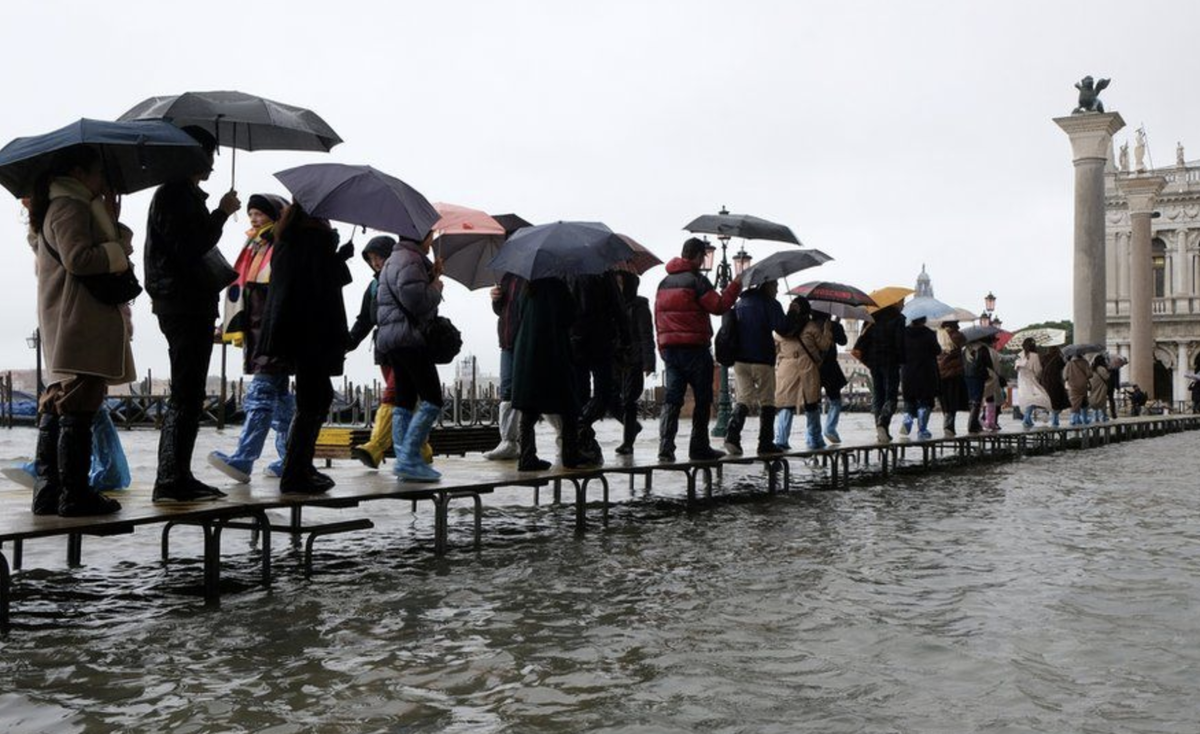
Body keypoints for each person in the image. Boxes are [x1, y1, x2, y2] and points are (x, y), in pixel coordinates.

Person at [28, 145, 135, 516]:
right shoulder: (70, 207)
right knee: (81, 398)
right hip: (80, 317)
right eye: (98, 174)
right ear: (78, 173)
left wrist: (109, 220)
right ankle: (74, 493)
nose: (102, 182)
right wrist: (118, 244)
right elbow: (80, 259)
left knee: (61, 397)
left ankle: (48, 491)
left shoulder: (57, 207)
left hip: (66, 315)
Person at [144, 126, 240, 502]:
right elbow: (191, 245)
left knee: (189, 389)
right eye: (209, 156)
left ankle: (176, 474)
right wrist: (220, 213)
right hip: (183, 301)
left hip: (182, 300)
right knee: (187, 391)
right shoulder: (175, 195)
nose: (213, 166)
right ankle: (171, 478)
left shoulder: (179, 195)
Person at [259, 203, 352, 493]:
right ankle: (295, 472)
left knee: (315, 397)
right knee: (315, 398)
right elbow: (323, 282)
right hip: (312, 330)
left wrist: (335, 254)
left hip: (295, 330)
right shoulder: (313, 238)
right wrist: (339, 256)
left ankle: (299, 466)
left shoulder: (288, 237)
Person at [207, 194, 294, 482]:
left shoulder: (278, 246)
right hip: (260, 335)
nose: (254, 219)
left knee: (260, 396)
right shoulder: (256, 246)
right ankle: (291, 458)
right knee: (281, 401)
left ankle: (243, 460)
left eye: (259, 214)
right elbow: (244, 292)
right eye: (251, 215)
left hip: (272, 334)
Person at [654, 238, 742, 462]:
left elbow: (658, 318)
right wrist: (736, 285)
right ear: (698, 255)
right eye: (703, 256)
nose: (704, 260)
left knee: (672, 399)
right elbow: (719, 306)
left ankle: (665, 449)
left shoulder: (663, 283)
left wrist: (662, 347)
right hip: (694, 349)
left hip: (671, 350)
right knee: (703, 399)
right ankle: (699, 447)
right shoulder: (697, 281)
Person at [375, 233, 445, 482]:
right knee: (432, 398)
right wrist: (436, 285)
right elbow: (417, 301)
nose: (432, 240)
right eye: (430, 236)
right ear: (420, 236)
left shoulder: (395, 258)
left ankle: (405, 457)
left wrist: (432, 274)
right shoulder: (410, 259)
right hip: (409, 338)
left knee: (404, 400)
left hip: (392, 338)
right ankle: (409, 459)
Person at [511, 278, 585, 470]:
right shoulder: (558, 286)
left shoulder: (525, 288)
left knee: (529, 410)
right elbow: (570, 316)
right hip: (553, 351)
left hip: (527, 352)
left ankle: (526, 457)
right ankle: (570, 455)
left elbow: (518, 315)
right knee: (568, 406)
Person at [346, 235, 400, 468]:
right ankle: (420, 450)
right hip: (383, 348)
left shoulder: (401, 277)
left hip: (404, 345)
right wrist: (346, 344)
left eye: (379, 257)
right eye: (372, 259)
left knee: (392, 394)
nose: (376, 262)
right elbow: (364, 320)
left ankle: (375, 446)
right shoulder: (373, 286)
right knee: (404, 400)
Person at [570, 272, 629, 464]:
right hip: (600, 341)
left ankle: (580, 437)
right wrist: (625, 340)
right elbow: (619, 307)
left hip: (575, 343)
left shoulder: (564, 273)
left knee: (581, 395)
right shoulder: (604, 273)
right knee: (603, 394)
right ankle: (582, 429)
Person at [724, 279, 787, 456]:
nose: (777, 289)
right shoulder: (770, 303)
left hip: (740, 360)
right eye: (775, 286)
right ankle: (765, 443)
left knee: (743, 399)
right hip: (762, 359)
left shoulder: (739, 303)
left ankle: (732, 437)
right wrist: (793, 314)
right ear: (766, 286)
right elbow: (783, 328)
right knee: (767, 401)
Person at [775, 295, 833, 450]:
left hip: (786, 368)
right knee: (811, 404)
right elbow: (824, 346)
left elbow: (775, 348)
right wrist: (827, 329)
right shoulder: (811, 326)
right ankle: (814, 439)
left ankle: (781, 439)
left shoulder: (781, 327)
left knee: (786, 405)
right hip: (807, 367)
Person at [483, 271, 526, 461]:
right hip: (507, 340)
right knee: (507, 390)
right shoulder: (506, 277)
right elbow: (502, 310)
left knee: (527, 392)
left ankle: (563, 438)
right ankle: (508, 442)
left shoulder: (532, 276)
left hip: (525, 340)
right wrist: (496, 299)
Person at [613, 270, 656, 455]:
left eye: (621, 284)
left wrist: (648, 363)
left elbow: (646, 336)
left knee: (629, 401)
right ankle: (633, 428)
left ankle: (627, 442)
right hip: (616, 359)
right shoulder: (614, 306)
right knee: (610, 398)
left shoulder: (640, 307)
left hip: (634, 360)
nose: (619, 287)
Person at [853, 303, 906, 443]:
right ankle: (883, 422)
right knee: (891, 396)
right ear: (895, 303)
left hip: (874, 363)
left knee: (878, 396)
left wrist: (869, 361)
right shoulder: (898, 318)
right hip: (891, 362)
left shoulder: (871, 318)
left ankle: (881, 431)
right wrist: (902, 361)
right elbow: (900, 343)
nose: (903, 305)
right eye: (902, 302)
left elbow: (863, 340)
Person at [898, 316, 942, 441]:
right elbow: (937, 350)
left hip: (907, 371)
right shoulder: (929, 333)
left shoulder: (903, 333)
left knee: (909, 399)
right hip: (926, 371)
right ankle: (922, 429)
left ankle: (907, 419)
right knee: (926, 400)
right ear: (923, 320)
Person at [816, 309, 849, 444]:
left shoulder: (809, 325)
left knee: (813, 403)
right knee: (835, 401)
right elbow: (843, 341)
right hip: (830, 367)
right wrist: (836, 325)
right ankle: (830, 428)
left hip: (813, 367)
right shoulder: (833, 326)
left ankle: (813, 435)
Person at [936, 321, 968, 436]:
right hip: (953, 373)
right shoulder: (956, 335)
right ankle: (950, 425)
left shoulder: (938, 335)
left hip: (940, 372)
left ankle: (946, 421)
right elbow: (964, 340)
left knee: (944, 399)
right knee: (953, 399)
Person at [1015, 338, 1052, 429]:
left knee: (1028, 399)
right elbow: (1038, 370)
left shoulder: (1020, 355)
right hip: (1031, 379)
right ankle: (1027, 418)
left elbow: (1017, 368)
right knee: (1040, 397)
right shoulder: (1034, 356)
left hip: (1021, 380)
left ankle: (1027, 419)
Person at [962, 337, 994, 434]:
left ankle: (975, 423)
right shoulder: (982, 349)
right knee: (977, 401)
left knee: (971, 400)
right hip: (978, 376)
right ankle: (972, 425)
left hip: (967, 377)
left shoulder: (965, 350)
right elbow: (989, 363)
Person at [1039, 346, 1070, 427]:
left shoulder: (1044, 358)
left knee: (1047, 399)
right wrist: (1062, 356)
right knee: (1056, 401)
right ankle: (1055, 420)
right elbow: (1063, 366)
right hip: (1055, 382)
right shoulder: (1058, 358)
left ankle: (1045, 412)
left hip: (1045, 382)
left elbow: (1040, 369)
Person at [1064, 350, 1093, 425]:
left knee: (1074, 402)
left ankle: (1074, 419)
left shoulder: (1069, 363)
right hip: (1083, 385)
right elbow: (1090, 374)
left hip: (1073, 386)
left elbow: (1065, 376)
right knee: (1084, 401)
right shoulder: (1085, 362)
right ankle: (1085, 418)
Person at [1089, 354, 1111, 423]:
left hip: (1093, 385)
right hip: (1101, 386)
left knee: (1094, 399)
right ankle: (1103, 416)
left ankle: (1095, 416)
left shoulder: (1092, 368)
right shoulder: (1101, 368)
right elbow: (1106, 377)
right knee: (1102, 400)